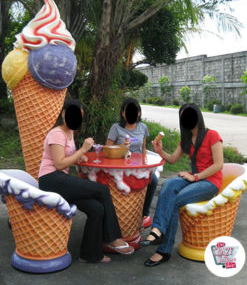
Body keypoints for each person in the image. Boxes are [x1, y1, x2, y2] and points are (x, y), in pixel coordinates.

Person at [38, 99, 134, 263]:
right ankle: (113, 238)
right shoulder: (57, 133)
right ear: (64, 114)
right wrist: (82, 149)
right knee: (102, 190)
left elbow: (67, 158)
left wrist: (78, 158)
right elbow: (59, 163)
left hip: (61, 180)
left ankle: (89, 254)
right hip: (50, 179)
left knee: (96, 208)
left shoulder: (70, 132)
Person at [140, 103, 223, 267]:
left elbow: (218, 165)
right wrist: (160, 151)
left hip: (210, 182)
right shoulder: (186, 138)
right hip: (196, 179)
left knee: (176, 200)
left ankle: (164, 250)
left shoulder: (212, 135)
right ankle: (158, 230)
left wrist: (195, 176)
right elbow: (172, 160)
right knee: (168, 184)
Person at [106, 98, 158, 228]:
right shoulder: (116, 128)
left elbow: (144, 148)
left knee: (154, 181)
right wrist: (121, 148)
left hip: (139, 166)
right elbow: (107, 149)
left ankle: (143, 215)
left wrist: (147, 165)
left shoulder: (143, 127)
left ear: (139, 113)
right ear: (123, 113)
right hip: (120, 167)